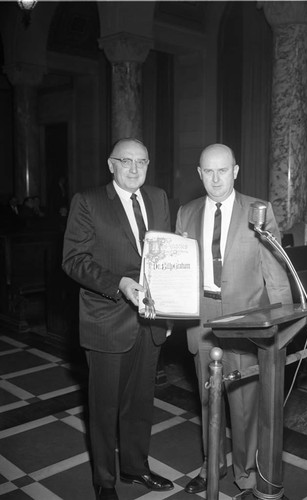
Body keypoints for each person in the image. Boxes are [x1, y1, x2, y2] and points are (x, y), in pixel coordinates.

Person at [175, 143, 293, 492]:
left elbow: (275, 270)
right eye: (208, 171)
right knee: (208, 401)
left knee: (243, 408)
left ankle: (245, 473)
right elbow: (178, 271)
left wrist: (285, 321)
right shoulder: (186, 212)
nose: (215, 178)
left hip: (245, 321)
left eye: (222, 170)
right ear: (199, 174)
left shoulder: (258, 210)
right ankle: (212, 466)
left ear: (236, 171)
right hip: (202, 321)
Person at [62, 138, 174, 500]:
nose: (133, 168)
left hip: (150, 320)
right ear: (111, 164)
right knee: (104, 406)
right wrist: (119, 284)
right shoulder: (89, 201)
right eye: (125, 161)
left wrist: (170, 306)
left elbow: (166, 257)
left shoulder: (158, 198)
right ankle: (104, 480)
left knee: (140, 402)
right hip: (107, 321)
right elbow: (74, 260)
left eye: (141, 161)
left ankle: (135, 467)